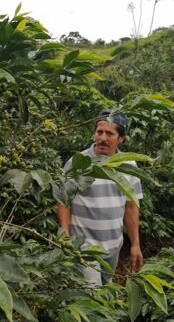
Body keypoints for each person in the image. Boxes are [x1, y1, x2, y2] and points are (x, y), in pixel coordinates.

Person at [56, 109, 144, 286]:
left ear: (121, 138)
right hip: (83, 245)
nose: (103, 137)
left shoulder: (129, 165)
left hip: (113, 246)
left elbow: (131, 207)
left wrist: (135, 244)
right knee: (91, 294)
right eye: (99, 132)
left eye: (109, 133)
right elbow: (63, 200)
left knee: (104, 287)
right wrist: (64, 233)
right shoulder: (78, 162)